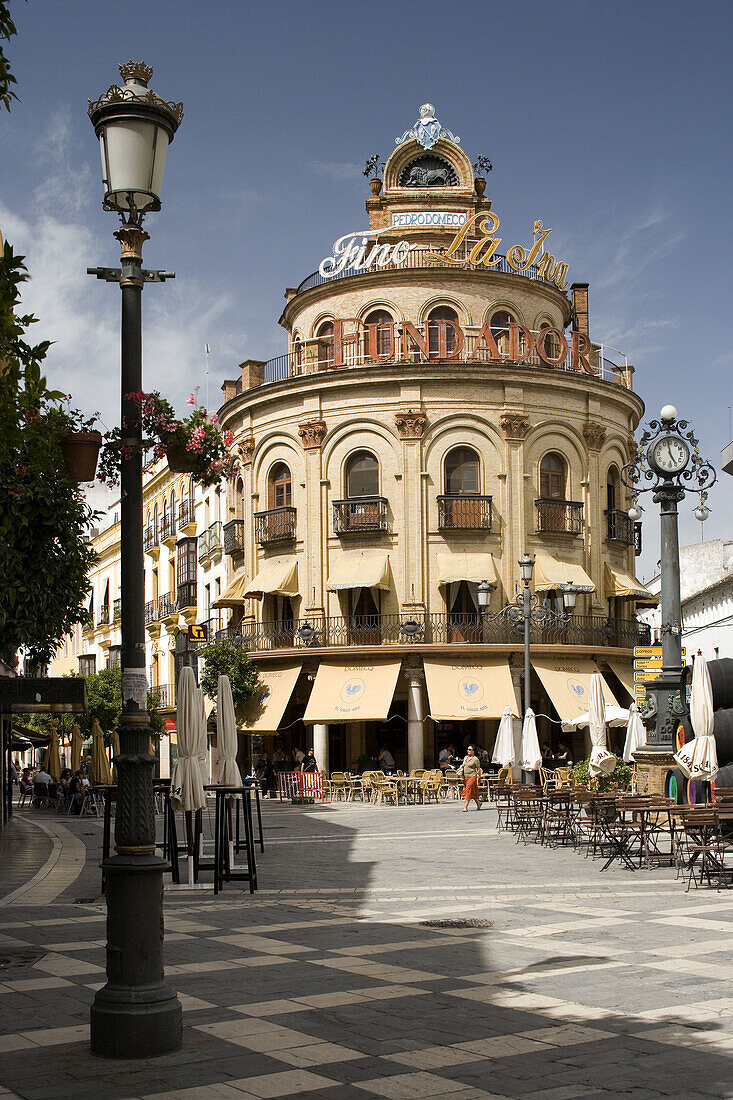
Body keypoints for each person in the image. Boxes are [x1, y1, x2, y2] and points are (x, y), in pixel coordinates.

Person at [457, 745, 482, 812]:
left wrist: (479, 777)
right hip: (466, 776)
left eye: (470, 749)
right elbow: (463, 765)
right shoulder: (465, 758)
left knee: (468, 789)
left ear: (473, 751)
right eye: (468, 749)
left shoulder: (475, 759)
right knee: (471, 791)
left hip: (472, 776)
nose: (468, 751)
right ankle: (478, 803)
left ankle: (466, 807)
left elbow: (478, 769)